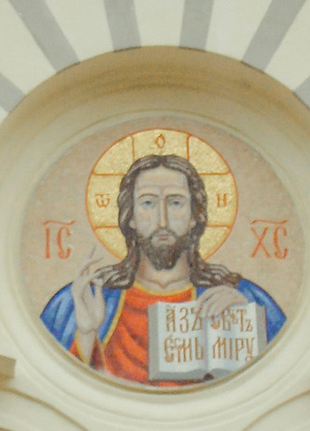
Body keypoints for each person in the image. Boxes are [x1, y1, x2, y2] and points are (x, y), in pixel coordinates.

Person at [39, 153, 286, 388]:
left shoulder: (241, 298)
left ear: (194, 216)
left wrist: (244, 326)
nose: (162, 221)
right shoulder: (81, 302)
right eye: (148, 203)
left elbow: (280, 377)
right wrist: (86, 333)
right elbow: (49, 385)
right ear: (131, 217)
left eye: (176, 202)